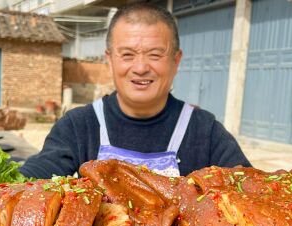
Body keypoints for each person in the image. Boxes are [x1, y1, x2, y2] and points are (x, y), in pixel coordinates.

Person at [19, 3, 250, 178]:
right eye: (127, 55)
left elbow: (247, 188)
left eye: (155, 55)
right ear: (109, 60)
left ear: (176, 61)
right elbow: (37, 177)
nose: (140, 68)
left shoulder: (205, 131)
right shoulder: (78, 126)